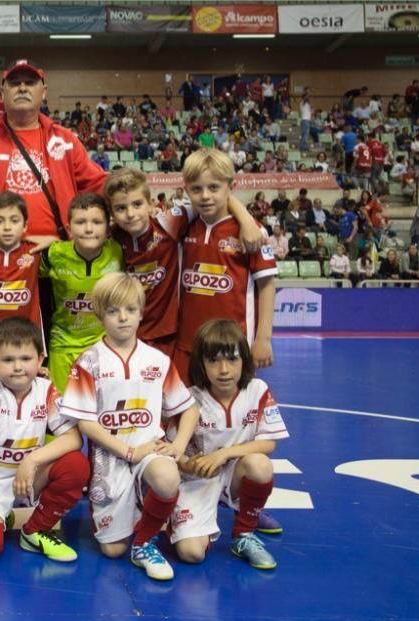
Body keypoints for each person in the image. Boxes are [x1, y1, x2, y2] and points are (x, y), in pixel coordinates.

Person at [61, 273, 198, 581]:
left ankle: (145, 541)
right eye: (113, 311)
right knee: (112, 550)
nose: (123, 318)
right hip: (110, 457)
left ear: (141, 311)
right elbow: (85, 422)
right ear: (99, 315)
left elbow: (189, 409)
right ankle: (141, 512)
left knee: (166, 477)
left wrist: (177, 447)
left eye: (130, 310)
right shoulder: (88, 362)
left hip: (151, 453)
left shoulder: (158, 360)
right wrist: (128, 450)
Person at [0, 316, 89, 564]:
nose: (18, 367)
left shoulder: (45, 389)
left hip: (28, 480)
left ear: (40, 360)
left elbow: (73, 438)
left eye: (26, 359)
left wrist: (32, 460)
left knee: (76, 466)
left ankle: (34, 530)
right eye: (8, 360)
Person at [0, 60, 106, 240]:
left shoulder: (65, 140)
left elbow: (97, 184)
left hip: (57, 256)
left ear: (44, 92)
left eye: (30, 82)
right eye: (14, 83)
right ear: (2, 94)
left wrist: (136, 192)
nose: (22, 88)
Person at [170, 319, 288, 570]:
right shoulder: (190, 399)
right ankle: (184, 520)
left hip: (235, 473)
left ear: (244, 359)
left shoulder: (258, 390)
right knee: (191, 554)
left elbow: (268, 443)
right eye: (213, 361)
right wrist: (188, 465)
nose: (224, 370)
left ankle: (243, 534)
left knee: (260, 465)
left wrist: (224, 454)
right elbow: (172, 450)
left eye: (232, 359)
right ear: (201, 363)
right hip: (198, 479)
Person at [107, 168, 259, 359]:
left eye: (137, 204)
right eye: (120, 208)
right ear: (111, 213)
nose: (130, 214)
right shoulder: (110, 238)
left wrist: (246, 220)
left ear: (151, 204)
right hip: (124, 334)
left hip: (168, 336)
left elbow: (214, 198)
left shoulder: (168, 223)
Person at [174, 148, 277, 416]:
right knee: (186, 415)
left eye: (214, 187)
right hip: (187, 345)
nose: (205, 196)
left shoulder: (251, 232)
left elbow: (267, 285)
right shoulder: (184, 224)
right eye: (196, 189)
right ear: (186, 189)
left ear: (231, 187)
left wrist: (263, 338)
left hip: (233, 346)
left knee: (233, 414)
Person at [40, 192, 122, 393]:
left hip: (105, 347)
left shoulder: (119, 252)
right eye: (80, 222)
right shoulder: (53, 254)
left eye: (97, 222)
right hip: (62, 347)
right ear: (68, 228)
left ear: (108, 226)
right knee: (61, 413)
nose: (88, 228)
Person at [0, 192, 54, 362]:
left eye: (14, 221)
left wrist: (43, 239)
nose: (7, 227)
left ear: (25, 225)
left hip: (26, 342)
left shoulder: (35, 252)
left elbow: (61, 243)